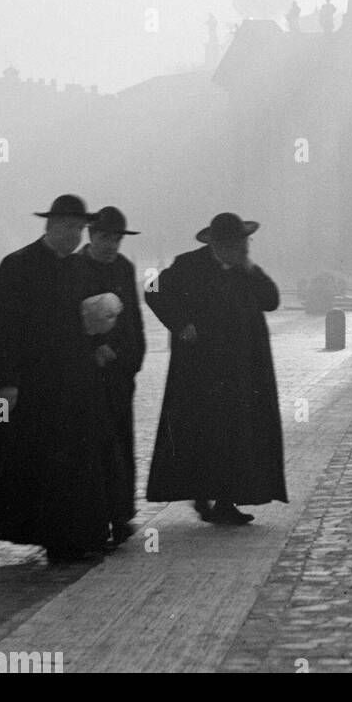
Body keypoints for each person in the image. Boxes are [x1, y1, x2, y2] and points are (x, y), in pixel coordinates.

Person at [0, 195, 125, 565]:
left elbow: (85, 315)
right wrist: (7, 381)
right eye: (67, 227)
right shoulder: (18, 266)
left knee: (73, 464)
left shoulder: (77, 270)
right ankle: (44, 534)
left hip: (72, 383)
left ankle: (73, 536)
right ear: (49, 226)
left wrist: (99, 342)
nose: (73, 235)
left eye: (78, 228)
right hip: (27, 386)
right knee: (22, 460)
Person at [145, 212, 288, 525]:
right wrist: (181, 324)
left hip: (241, 368)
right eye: (235, 246)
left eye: (243, 245)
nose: (240, 251)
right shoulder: (188, 265)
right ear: (218, 245)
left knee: (235, 434)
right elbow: (153, 291)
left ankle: (225, 501)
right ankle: (205, 495)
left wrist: (250, 269)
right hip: (201, 369)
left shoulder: (245, 269)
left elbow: (271, 300)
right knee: (204, 432)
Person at [77, 206, 146, 547]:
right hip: (85, 377)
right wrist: (92, 349)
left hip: (119, 374)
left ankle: (120, 515)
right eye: (105, 237)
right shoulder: (74, 269)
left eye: (116, 239)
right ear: (91, 236)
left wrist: (130, 359)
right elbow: (65, 319)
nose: (111, 245)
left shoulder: (123, 267)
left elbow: (132, 319)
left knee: (120, 444)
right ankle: (92, 518)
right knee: (91, 448)